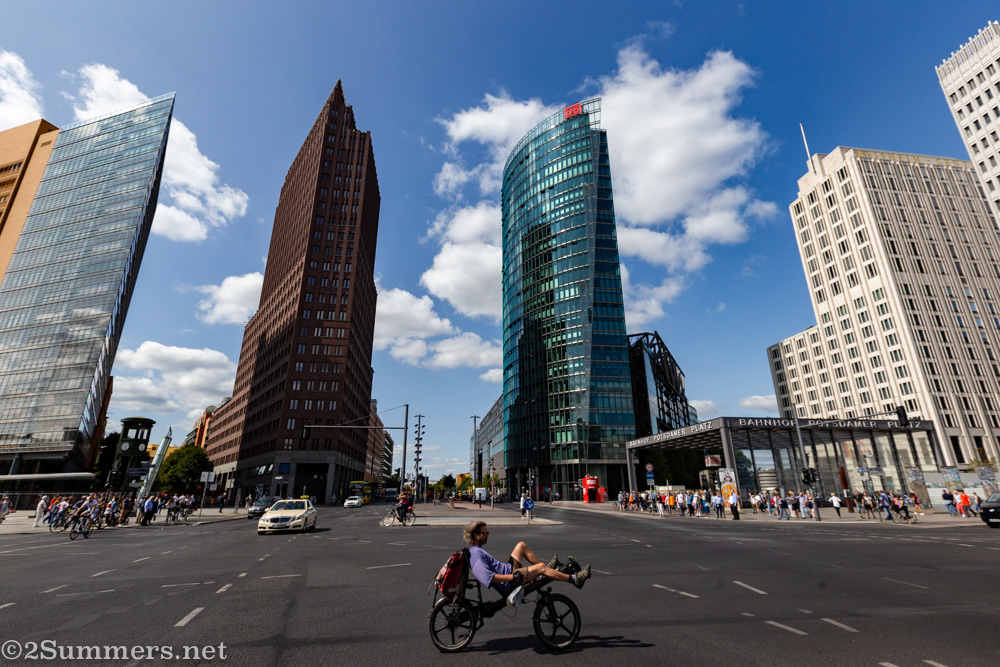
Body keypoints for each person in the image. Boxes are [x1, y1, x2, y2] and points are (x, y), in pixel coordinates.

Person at [463, 520, 590, 607]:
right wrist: (513, 577)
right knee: (540, 568)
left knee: (521, 545)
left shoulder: (477, 550)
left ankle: (544, 571)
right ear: (476, 535)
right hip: (509, 582)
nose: (487, 536)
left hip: (509, 570)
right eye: (484, 533)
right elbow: (489, 578)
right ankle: (575, 579)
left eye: (487, 533)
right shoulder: (476, 555)